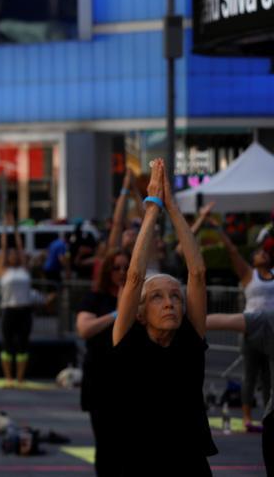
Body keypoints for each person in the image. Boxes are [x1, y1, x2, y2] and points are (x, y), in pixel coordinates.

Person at [110, 158, 215, 475]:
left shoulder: (190, 340)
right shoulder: (128, 341)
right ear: (140, 314)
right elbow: (133, 278)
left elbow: (196, 273)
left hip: (190, 462)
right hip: (141, 462)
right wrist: (153, 207)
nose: (170, 303)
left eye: (175, 297)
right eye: (157, 297)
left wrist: (173, 208)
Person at [212, 203, 274, 430]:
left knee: (269, 377)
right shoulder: (249, 275)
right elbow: (232, 251)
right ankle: (247, 418)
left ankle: (268, 416)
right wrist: (217, 228)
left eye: (264, 252)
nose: (261, 254)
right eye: (258, 253)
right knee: (250, 373)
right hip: (249, 326)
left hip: (271, 329)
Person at [76, 246, 128, 476]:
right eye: (117, 268)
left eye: (126, 267)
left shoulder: (139, 300)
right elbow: (84, 329)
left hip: (129, 379)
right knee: (105, 444)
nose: (122, 272)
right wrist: (116, 314)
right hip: (100, 379)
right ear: (108, 270)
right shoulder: (95, 298)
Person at [206, 310, 274, 475]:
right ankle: (247, 417)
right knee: (251, 379)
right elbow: (223, 320)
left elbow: (222, 321)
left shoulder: (267, 319)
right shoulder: (268, 319)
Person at [0, 214, 33, 387]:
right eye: (11, 255)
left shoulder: (24, 269)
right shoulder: (3, 270)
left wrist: (16, 229)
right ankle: (9, 377)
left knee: (23, 344)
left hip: (24, 310)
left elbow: (21, 248)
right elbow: (3, 249)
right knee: (7, 344)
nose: (14, 256)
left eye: (16, 254)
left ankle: (20, 378)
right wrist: (5, 229)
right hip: (9, 309)